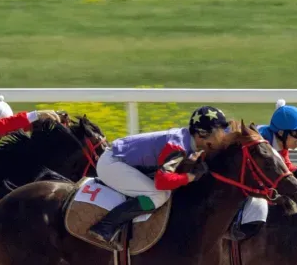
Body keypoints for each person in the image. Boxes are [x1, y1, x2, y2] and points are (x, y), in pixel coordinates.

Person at [86, 105, 228, 250]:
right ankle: (104, 227)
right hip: (112, 164)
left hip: (120, 159)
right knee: (159, 195)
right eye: (219, 133)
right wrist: (190, 177)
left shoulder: (186, 139)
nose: (222, 137)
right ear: (202, 134)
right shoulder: (178, 146)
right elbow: (162, 182)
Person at [232, 99, 297, 240]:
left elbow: (286, 168)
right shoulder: (265, 149)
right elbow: (267, 185)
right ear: (281, 133)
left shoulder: (279, 143)